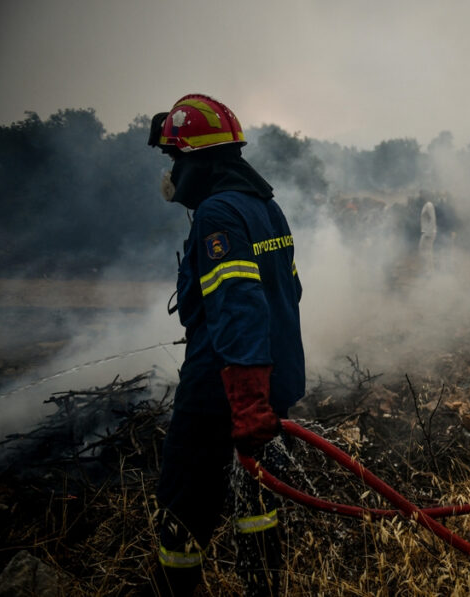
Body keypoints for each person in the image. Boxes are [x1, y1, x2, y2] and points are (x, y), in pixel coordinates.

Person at [145, 94, 305, 596]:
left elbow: (239, 305)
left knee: (184, 496)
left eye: (175, 158)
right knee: (255, 499)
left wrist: (245, 397)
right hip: (271, 376)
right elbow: (290, 291)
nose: (172, 170)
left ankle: (176, 589)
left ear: (197, 160)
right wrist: (264, 393)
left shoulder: (217, 212)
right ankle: (264, 588)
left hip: (225, 384)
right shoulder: (265, 206)